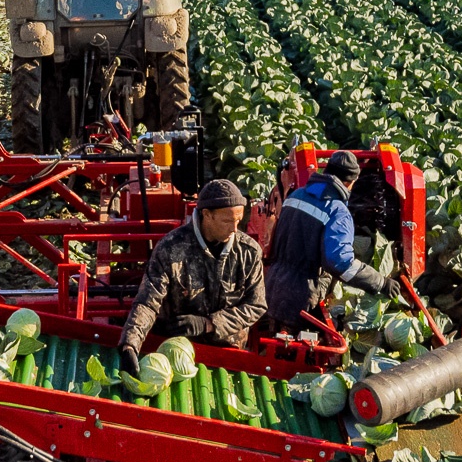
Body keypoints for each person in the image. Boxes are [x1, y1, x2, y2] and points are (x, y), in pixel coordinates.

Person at [119, 179, 267, 372]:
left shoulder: (249, 252)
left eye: (238, 221)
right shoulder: (171, 249)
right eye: (227, 221)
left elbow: (256, 305)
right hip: (175, 350)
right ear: (207, 215)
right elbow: (148, 302)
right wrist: (130, 343)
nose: (234, 229)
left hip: (227, 350)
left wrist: (209, 324)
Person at [265, 150, 404, 327]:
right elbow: (340, 263)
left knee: (274, 336)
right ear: (351, 182)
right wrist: (381, 282)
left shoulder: (295, 196)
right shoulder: (337, 212)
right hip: (301, 297)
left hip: (273, 286)